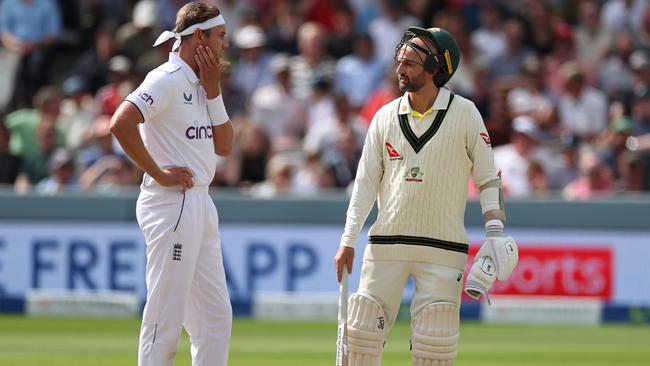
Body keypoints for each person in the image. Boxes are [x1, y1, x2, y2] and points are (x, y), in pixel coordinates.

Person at [334, 27, 519, 366]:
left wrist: (494, 231)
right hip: (386, 245)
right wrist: (348, 239)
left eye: (412, 62)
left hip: (443, 249)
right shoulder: (384, 116)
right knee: (360, 336)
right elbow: (364, 184)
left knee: (434, 344)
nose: (401, 68)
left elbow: (488, 179)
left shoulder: (466, 114)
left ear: (435, 68)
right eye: (400, 60)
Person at [108, 3, 234, 366]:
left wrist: (214, 91)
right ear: (199, 37)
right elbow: (120, 123)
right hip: (172, 203)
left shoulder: (202, 83)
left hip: (200, 203)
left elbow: (224, 146)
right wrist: (159, 173)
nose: (225, 45)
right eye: (220, 36)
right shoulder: (166, 77)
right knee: (165, 321)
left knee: (215, 318)